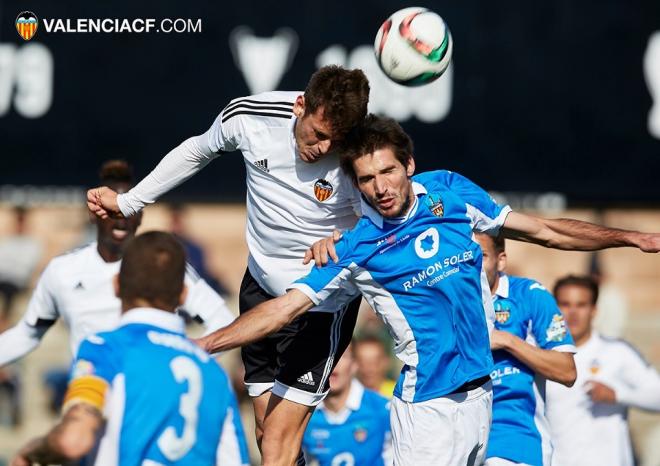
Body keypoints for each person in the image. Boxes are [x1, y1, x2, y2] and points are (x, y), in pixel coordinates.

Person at [193, 115, 660, 465]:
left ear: (409, 166)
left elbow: (544, 231)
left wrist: (630, 238)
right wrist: (205, 344)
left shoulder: (451, 192)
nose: (380, 188)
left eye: (388, 172)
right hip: (428, 409)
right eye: (367, 180)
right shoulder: (355, 247)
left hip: (481, 398)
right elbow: (282, 310)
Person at [87, 66, 370, 466]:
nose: (323, 148)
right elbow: (197, 150)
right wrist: (130, 201)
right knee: (264, 433)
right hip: (257, 287)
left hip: (319, 305)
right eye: (318, 134)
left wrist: (341, 240)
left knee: (275, 446)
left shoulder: (359, 155)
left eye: (334, 140)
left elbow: (381, 223)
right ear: (300, 105)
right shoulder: (249, 118)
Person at [10, 231, 249, 466]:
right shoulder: (213, 373)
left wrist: (35, 451)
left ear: (116, 285)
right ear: (184, 294)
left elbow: (74, 440)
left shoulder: (105, 349)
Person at [0, 160, 236, 365]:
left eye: (129, 209)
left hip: (146, 402)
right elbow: (28, 334)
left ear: (141, 215)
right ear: (93, 213)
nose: (121, 221)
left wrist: (181, 361)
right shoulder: (63, 270)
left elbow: (222, 320)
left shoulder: (163, 262)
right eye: (112, 211)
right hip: (89, 400)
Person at [475, 233, 577, 466]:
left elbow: (567, 371)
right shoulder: (450, 304)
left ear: (501, 260)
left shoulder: (529, 295)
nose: (473, 264)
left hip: (514, 439)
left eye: (481, 256)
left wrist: (507, 341)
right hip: (459, 435)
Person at [546, 275, 660, 466]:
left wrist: (617, 395)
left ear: (594, 310)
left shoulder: (617, 352)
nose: (573, 313)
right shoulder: (543, 357)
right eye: (565, 304)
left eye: (581, 305)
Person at [303, 344, 391, 466]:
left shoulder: (383, 409)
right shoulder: (304, 415)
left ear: (354, 365)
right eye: (325, 356)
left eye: (340, 356)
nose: (332, 364)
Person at [0, 206, 42, 326]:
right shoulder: (7, 240)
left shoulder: (33, 243)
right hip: (4, 278)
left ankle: (4, 320)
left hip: (17, 282)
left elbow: (26, 267)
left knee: (9, 289)